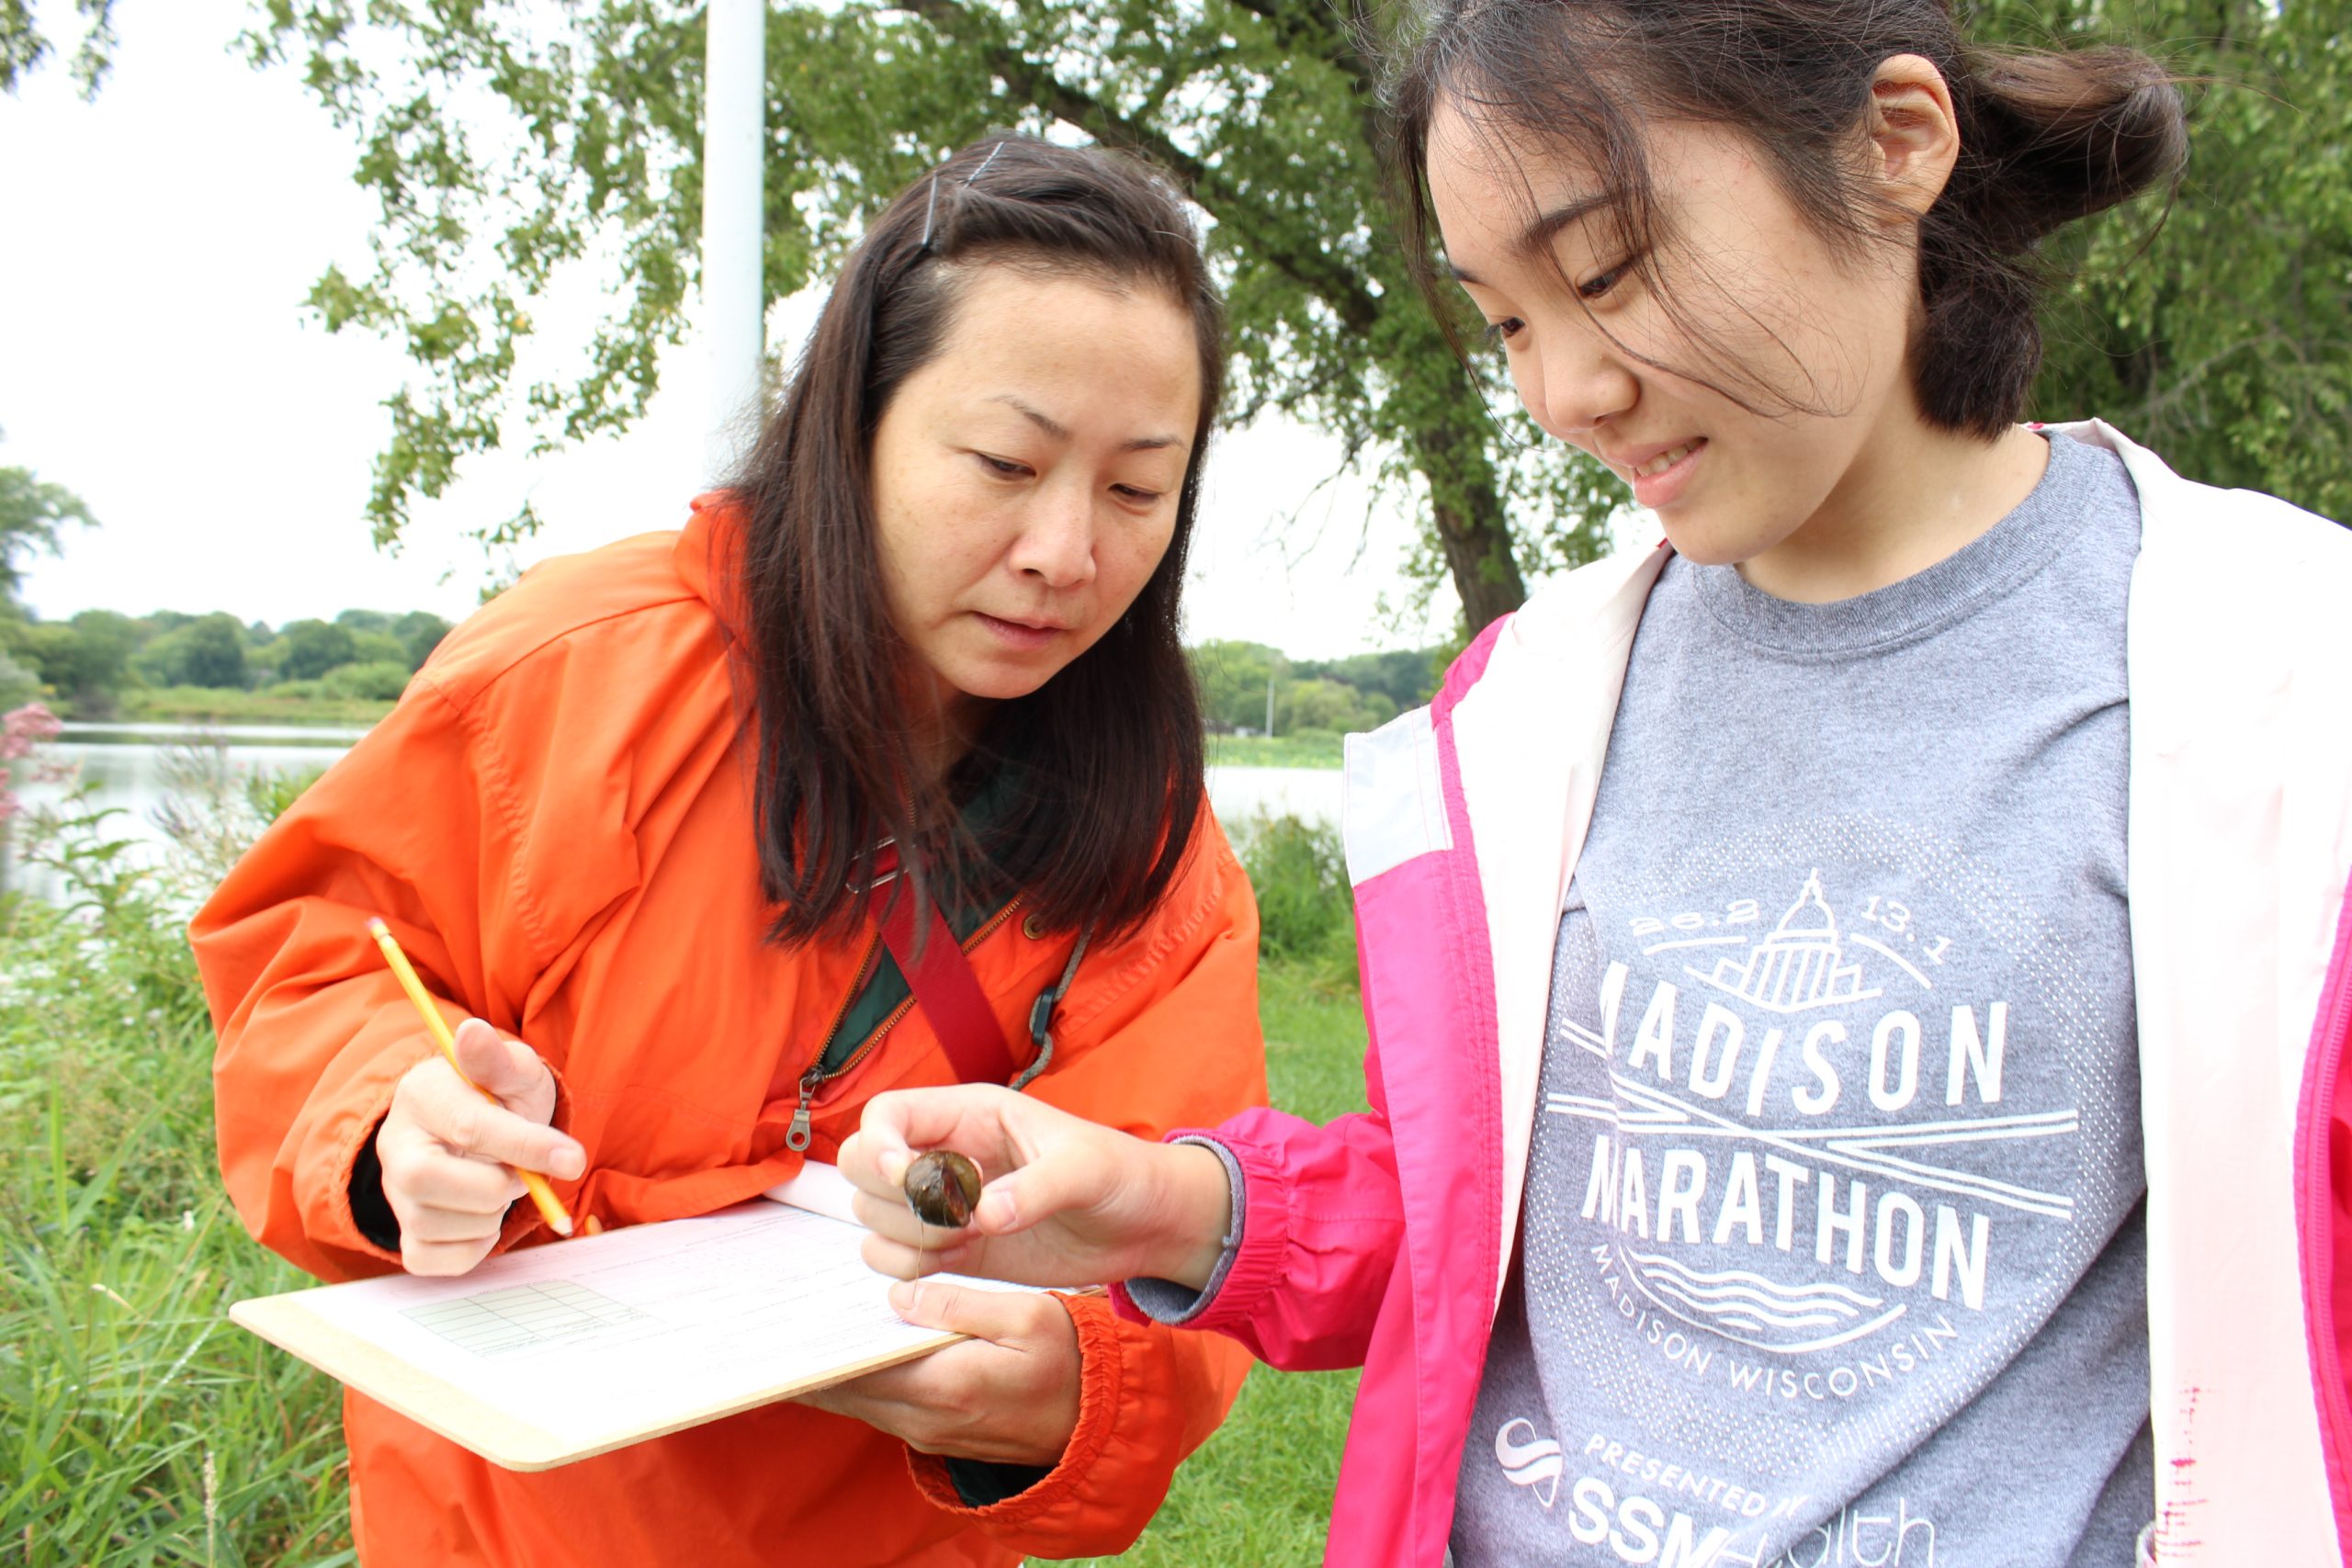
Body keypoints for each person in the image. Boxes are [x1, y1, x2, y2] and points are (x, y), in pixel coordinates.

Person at [839, 5, 2352, 1564]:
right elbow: (1526, 1225)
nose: (1564, 393)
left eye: (1609, 270)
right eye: (1504, 321)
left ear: (1892, 145)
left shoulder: (2285, 686)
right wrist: (1162, 1203)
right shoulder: (1531, 702)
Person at [194, 134, 1266, 1567]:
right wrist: (397, 1117)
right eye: (1006, 463)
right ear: (856, 421)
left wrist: (1072, 1388)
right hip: (507, 1529)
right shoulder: (570, 676)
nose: (1066, 552)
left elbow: (1188, 1219)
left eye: (1138, 491)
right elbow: (302, 973)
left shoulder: (1156, 849)